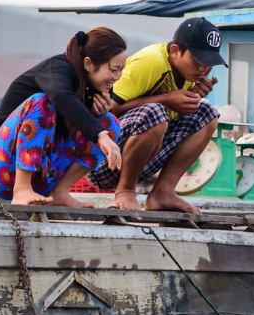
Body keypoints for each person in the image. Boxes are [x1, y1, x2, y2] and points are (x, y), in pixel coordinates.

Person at [89, 17, 227, 214]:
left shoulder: (190, 74)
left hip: (142, 160)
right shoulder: (151, 61)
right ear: (175, 51)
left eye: (209, 63)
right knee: (155, 111)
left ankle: (163, 192)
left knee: (207, 112)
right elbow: (106, 110)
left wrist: (193, 96)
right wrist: (167, 99)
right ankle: (125, 191)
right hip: (101, 159)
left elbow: (174, 119)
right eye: (198, 60)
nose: (203, 68)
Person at [0, 28, 126, 207]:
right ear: (88, 63)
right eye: (114, 70)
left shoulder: (97, 87)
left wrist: (98, 117)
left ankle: (60, 192)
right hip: (1, 168)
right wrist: (100, 135)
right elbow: (61, 96)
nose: (117, 77)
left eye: (121, 71)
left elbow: (86, 123)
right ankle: (22, 189)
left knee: (109, 123)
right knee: (41, 102)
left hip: (45, 175)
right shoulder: (56, 68)